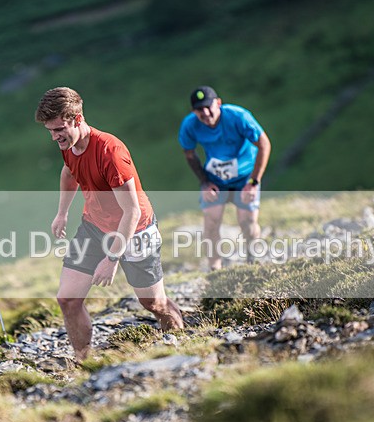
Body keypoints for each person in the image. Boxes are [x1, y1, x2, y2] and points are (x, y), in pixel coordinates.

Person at [35, 87, 183, 361]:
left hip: (135, 231)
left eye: (59, 129)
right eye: (50, 131)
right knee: (67, 300)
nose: (55, 137)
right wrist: (62, 213)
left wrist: (112, 258)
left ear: (77, 120)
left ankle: (181, 338)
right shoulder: (68, 145)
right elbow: (70, 172)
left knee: (154, 303)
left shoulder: (110, 152)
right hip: (93, 226)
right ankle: (84, 362)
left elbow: (133, 212)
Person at [179, 86, 272, 269]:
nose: (205, 113)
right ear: (193, 112)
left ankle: (253, 262)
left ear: (218, 103)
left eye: (208, 106)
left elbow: (264, 144)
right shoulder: (189, 125)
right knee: (211, 221)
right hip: (216, 180)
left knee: (248, 221)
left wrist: (254, 182)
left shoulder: (238, 117)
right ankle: (215, 270)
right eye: (199, 110)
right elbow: (189, 154)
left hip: (245, 177)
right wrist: (205, 182)